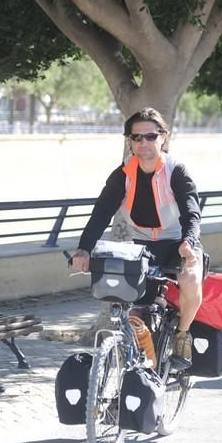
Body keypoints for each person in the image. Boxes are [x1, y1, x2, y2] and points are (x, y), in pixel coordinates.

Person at [71, 107, 204, 369]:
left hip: (178, 241)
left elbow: (192, 212)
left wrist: (189, 243)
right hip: (141, 245)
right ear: (129, 141)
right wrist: (83, 250)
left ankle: (182, 334)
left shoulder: (176, 171)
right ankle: (139, 354)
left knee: (190, 278)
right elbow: (100, 214)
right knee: (129, 300)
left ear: (163, 137)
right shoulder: (123, 174)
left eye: (151, 136)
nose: (144, 143)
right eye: (137, 137)